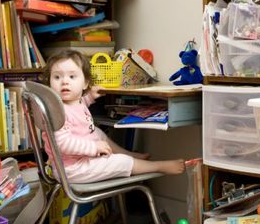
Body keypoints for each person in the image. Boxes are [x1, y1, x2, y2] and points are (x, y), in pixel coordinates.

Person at [43, 50, 186, 183]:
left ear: (85, 83)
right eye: (57, 77)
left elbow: (79, 107)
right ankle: (157, 166)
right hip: (71, 170)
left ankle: (131, 155)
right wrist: (93, 147)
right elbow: (62, 143)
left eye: (72, 76)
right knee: (121, 161)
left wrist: (90, 96)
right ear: (49, 82)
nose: (64, 81)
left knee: (97, 133)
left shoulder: (70, 102)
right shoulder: (56, 111)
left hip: (75, 162)